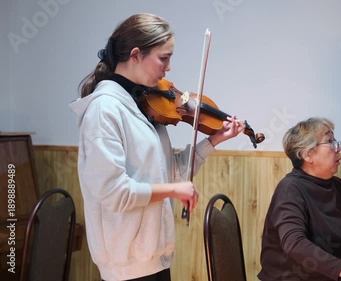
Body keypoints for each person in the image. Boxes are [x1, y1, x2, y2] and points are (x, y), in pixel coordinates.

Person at [69, 13, 245, 281]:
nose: (169, 68)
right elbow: (113, 193)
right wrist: (173, 190)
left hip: (155, 259)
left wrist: (214, 140)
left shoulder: (144, 106)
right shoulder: (104, 110)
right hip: (127, 268)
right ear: (136, 55)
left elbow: (170, 172)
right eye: (164, 58)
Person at [258, 117, 341, 281]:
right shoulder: (290, 189)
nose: (338, 148)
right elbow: (294, 244)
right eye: (330, 141)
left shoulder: (337, 186)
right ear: (307, 154)